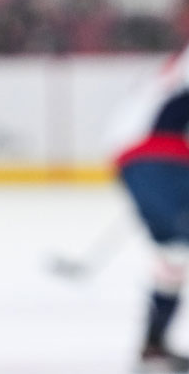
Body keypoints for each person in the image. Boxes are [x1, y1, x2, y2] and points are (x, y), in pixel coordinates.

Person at [110, 46, 189, 371]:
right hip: (158, 156)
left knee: (174, 251)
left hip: (135, 159)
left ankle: (154, 344)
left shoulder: (174, 67)